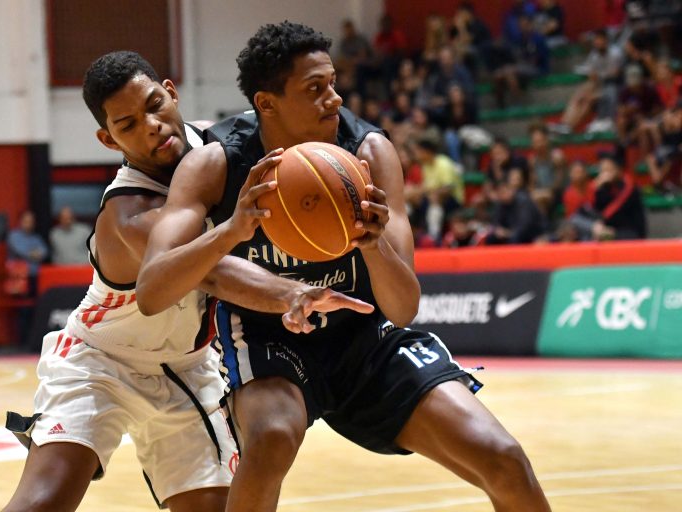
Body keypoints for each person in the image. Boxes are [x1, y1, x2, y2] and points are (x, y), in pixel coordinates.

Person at [138, 21, 551, 512]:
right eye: (314, 89)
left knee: (504, 459)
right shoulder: (216, 164)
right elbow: (152, 291)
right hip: (267, 339)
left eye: (332, 83)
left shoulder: (369, 151)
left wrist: (374, 246)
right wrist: (231, 229)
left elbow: (403, 307)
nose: (334, 99)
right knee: (271, 437)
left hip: (364, 335)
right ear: (266, 103)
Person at [2, 50, 372, 512]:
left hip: (188, 368)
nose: (151, 126)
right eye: (128, 125)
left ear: (171, 92)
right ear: (108, 139)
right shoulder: (128, 211)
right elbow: (212, 272)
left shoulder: (218, 150)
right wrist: (293, 292)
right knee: (43, 502)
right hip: (100, 362)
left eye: (154, 106)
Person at [6, 210, 48, 296]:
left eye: (31, 221)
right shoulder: (14, 236)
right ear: (20, 222)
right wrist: (34, 254)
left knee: (36, 299)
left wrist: (33, 254)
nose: (28, 224)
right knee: (21, 302)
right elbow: (22, 252)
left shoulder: (36, 238)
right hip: (18, 277)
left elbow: (44, 252)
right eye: (26, 221)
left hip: (35, 275)